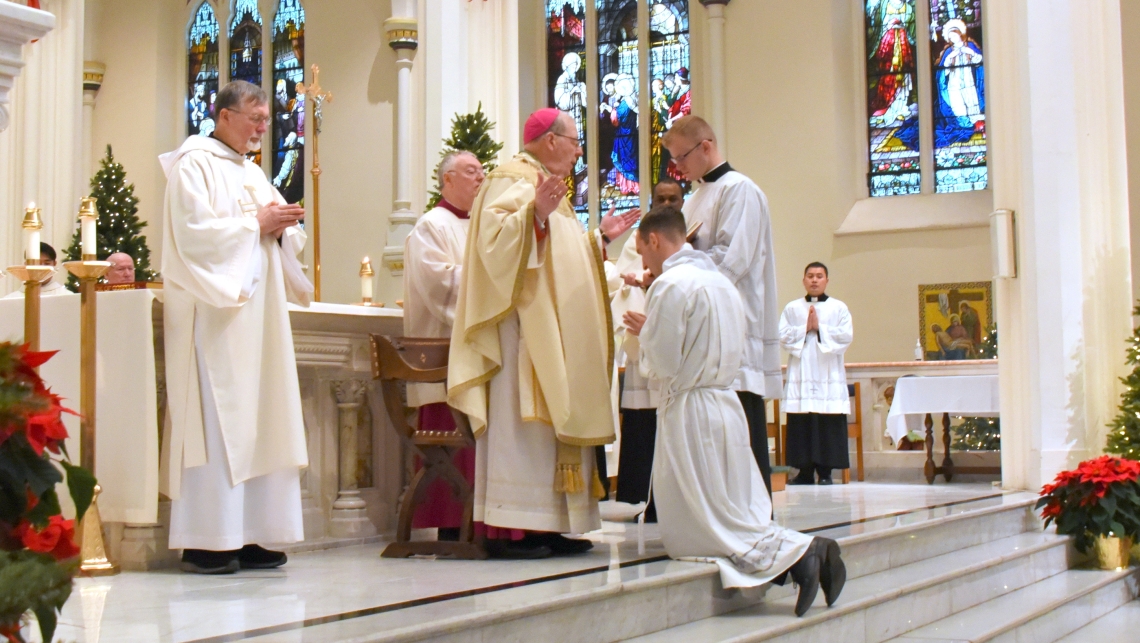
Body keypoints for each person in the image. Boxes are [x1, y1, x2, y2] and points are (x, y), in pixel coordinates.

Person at [625, 206, 845, 617]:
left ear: (655, 240)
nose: (644, 263)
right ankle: (802, 556)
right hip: (724, 404)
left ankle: (801, 555)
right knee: (731, 507)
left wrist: (647, 336)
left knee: (705, 528)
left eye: (642, 251)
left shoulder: (670, 284)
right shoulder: (720, 282)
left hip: (690, 410)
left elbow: (665, 363)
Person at [448, 108, 639, 559]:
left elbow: (563, 257)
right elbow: (491, 248)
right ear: (551, 140)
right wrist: (534, 213)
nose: (577, 151)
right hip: (523, 335)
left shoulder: (550, 189)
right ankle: (512, 529)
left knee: (552, 429)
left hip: (554, 331)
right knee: (524, 429)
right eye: (574, 142)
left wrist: (600, 240)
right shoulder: (509, 178)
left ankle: (550, 526)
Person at [159, 80, 313, 575]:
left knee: (263, 417)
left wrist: (287, 229)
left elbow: (279, 234)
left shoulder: (252, 172)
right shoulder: (194, 163)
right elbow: (193, 236)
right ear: (224, 116)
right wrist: (256, 226)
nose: (263, 128)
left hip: (260, 319)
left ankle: (255, 533)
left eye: (266, 120)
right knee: (220, 419)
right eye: (256, 119)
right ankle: (210, 538)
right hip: (217, 317)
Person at [662, 114, 779, 499]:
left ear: (706, 146)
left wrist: (680, 269)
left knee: (741, 425)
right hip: (706, 324)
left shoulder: (739, 190)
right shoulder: (696, 198)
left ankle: (756, 515)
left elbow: (733, 259)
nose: (677, 168)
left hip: (735, 323)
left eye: (681, 158)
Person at [403, 151, 485, 540]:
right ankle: (453, 524)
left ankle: (481, 520)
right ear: (447, 179)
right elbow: (439, 284)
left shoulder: (483, 226)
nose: (480, 178)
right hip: (446, 357)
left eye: (483, 172)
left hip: (479, 352)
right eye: (471, 172)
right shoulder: (429, 226)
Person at [612, 178, 684, 521]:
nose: (667, 203)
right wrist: (638, 280)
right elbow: (625, 274)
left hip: (671, 339)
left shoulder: (688, 236)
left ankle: (668, 496)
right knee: (643, 420)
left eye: (673, 198)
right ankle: (636, 490)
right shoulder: (640, 236)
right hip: (643, 333)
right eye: (661, 198)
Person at [780, 262, 853, 486]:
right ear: (803, 280)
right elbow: (781, 336)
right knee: (803, 419)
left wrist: (820, 328)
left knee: (826, 420)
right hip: (802, 371)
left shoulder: (839, 308)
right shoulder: (792, 308)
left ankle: (826, 472)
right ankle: (803, 472)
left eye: (819, 276)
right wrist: (804, 328)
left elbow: (846, 336)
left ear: (826, 281)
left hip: (827, 372)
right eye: (810, 276)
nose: (814, 280)